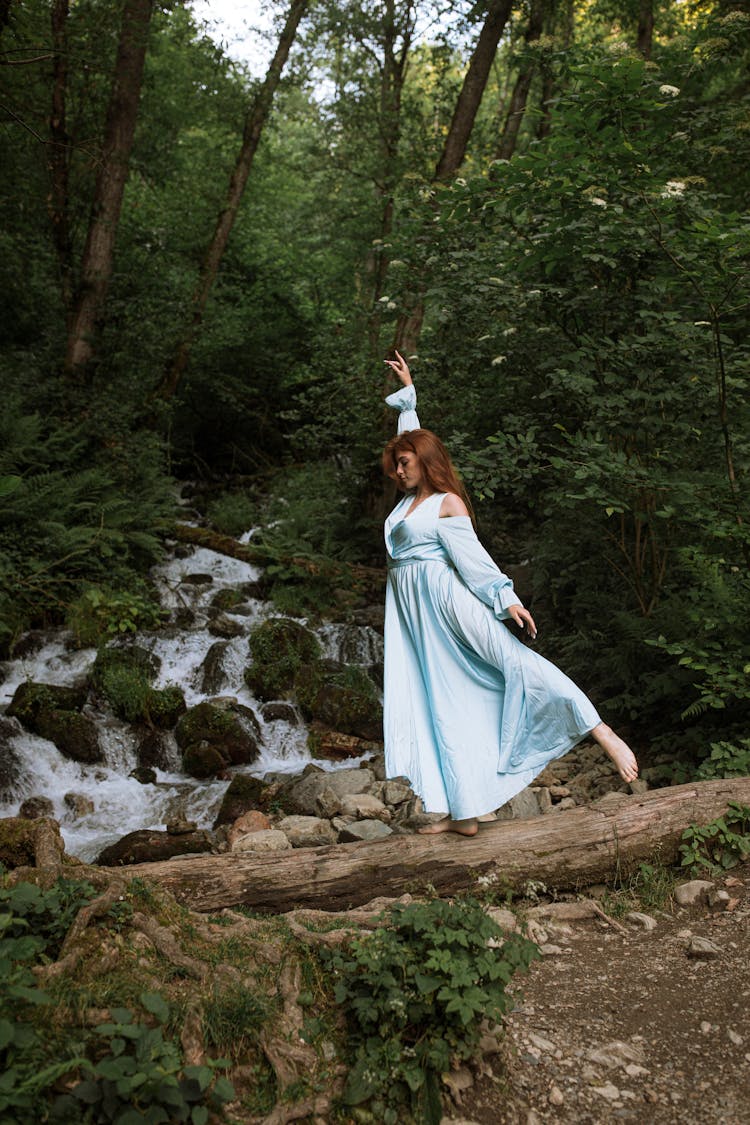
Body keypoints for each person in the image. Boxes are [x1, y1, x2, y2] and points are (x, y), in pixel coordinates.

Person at [382, 351, 638, 837]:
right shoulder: (406, 503)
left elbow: (473, 561)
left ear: (427, 464)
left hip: (447, 605)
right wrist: (409, 399)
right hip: (415, 620)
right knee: (442, 701)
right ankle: (464, 809)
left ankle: (603, 734)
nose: (399, 470)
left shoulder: (445, 503)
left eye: (406, 463)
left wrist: (505, 599)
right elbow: (411, 440)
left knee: (517, 664)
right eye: (396, 463)